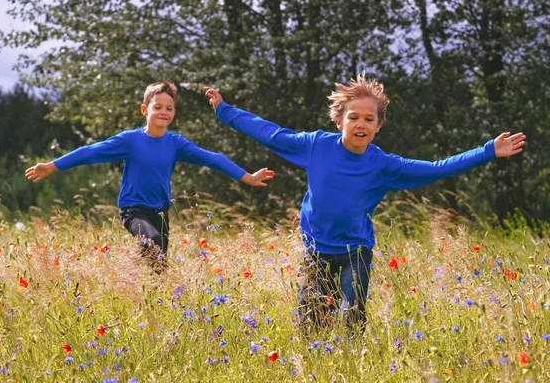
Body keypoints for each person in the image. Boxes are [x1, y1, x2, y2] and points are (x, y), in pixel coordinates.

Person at [203, 74, 525, 331]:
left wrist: (487, 151)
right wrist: (224, 110)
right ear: (338, 120)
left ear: (378, 126)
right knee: (310, 327)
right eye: (353, 117)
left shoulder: (384, 166)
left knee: (351, 317)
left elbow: (436, 168)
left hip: (355, 252)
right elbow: (268, 133)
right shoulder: (315, 146)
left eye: (369, 119)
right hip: (316, 252)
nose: (361, 124)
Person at [26, 81, 274, 270]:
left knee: (158, 266)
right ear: (145, 109)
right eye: (158, 107)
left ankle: (141, 291)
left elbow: (213, 158)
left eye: (169, 108)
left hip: (160, 213)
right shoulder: (129, 140)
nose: (164, 112)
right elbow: (91, 152)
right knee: (151, 242)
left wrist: (247, 177)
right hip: (133, 210)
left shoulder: (176, 144)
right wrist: (53, 165)